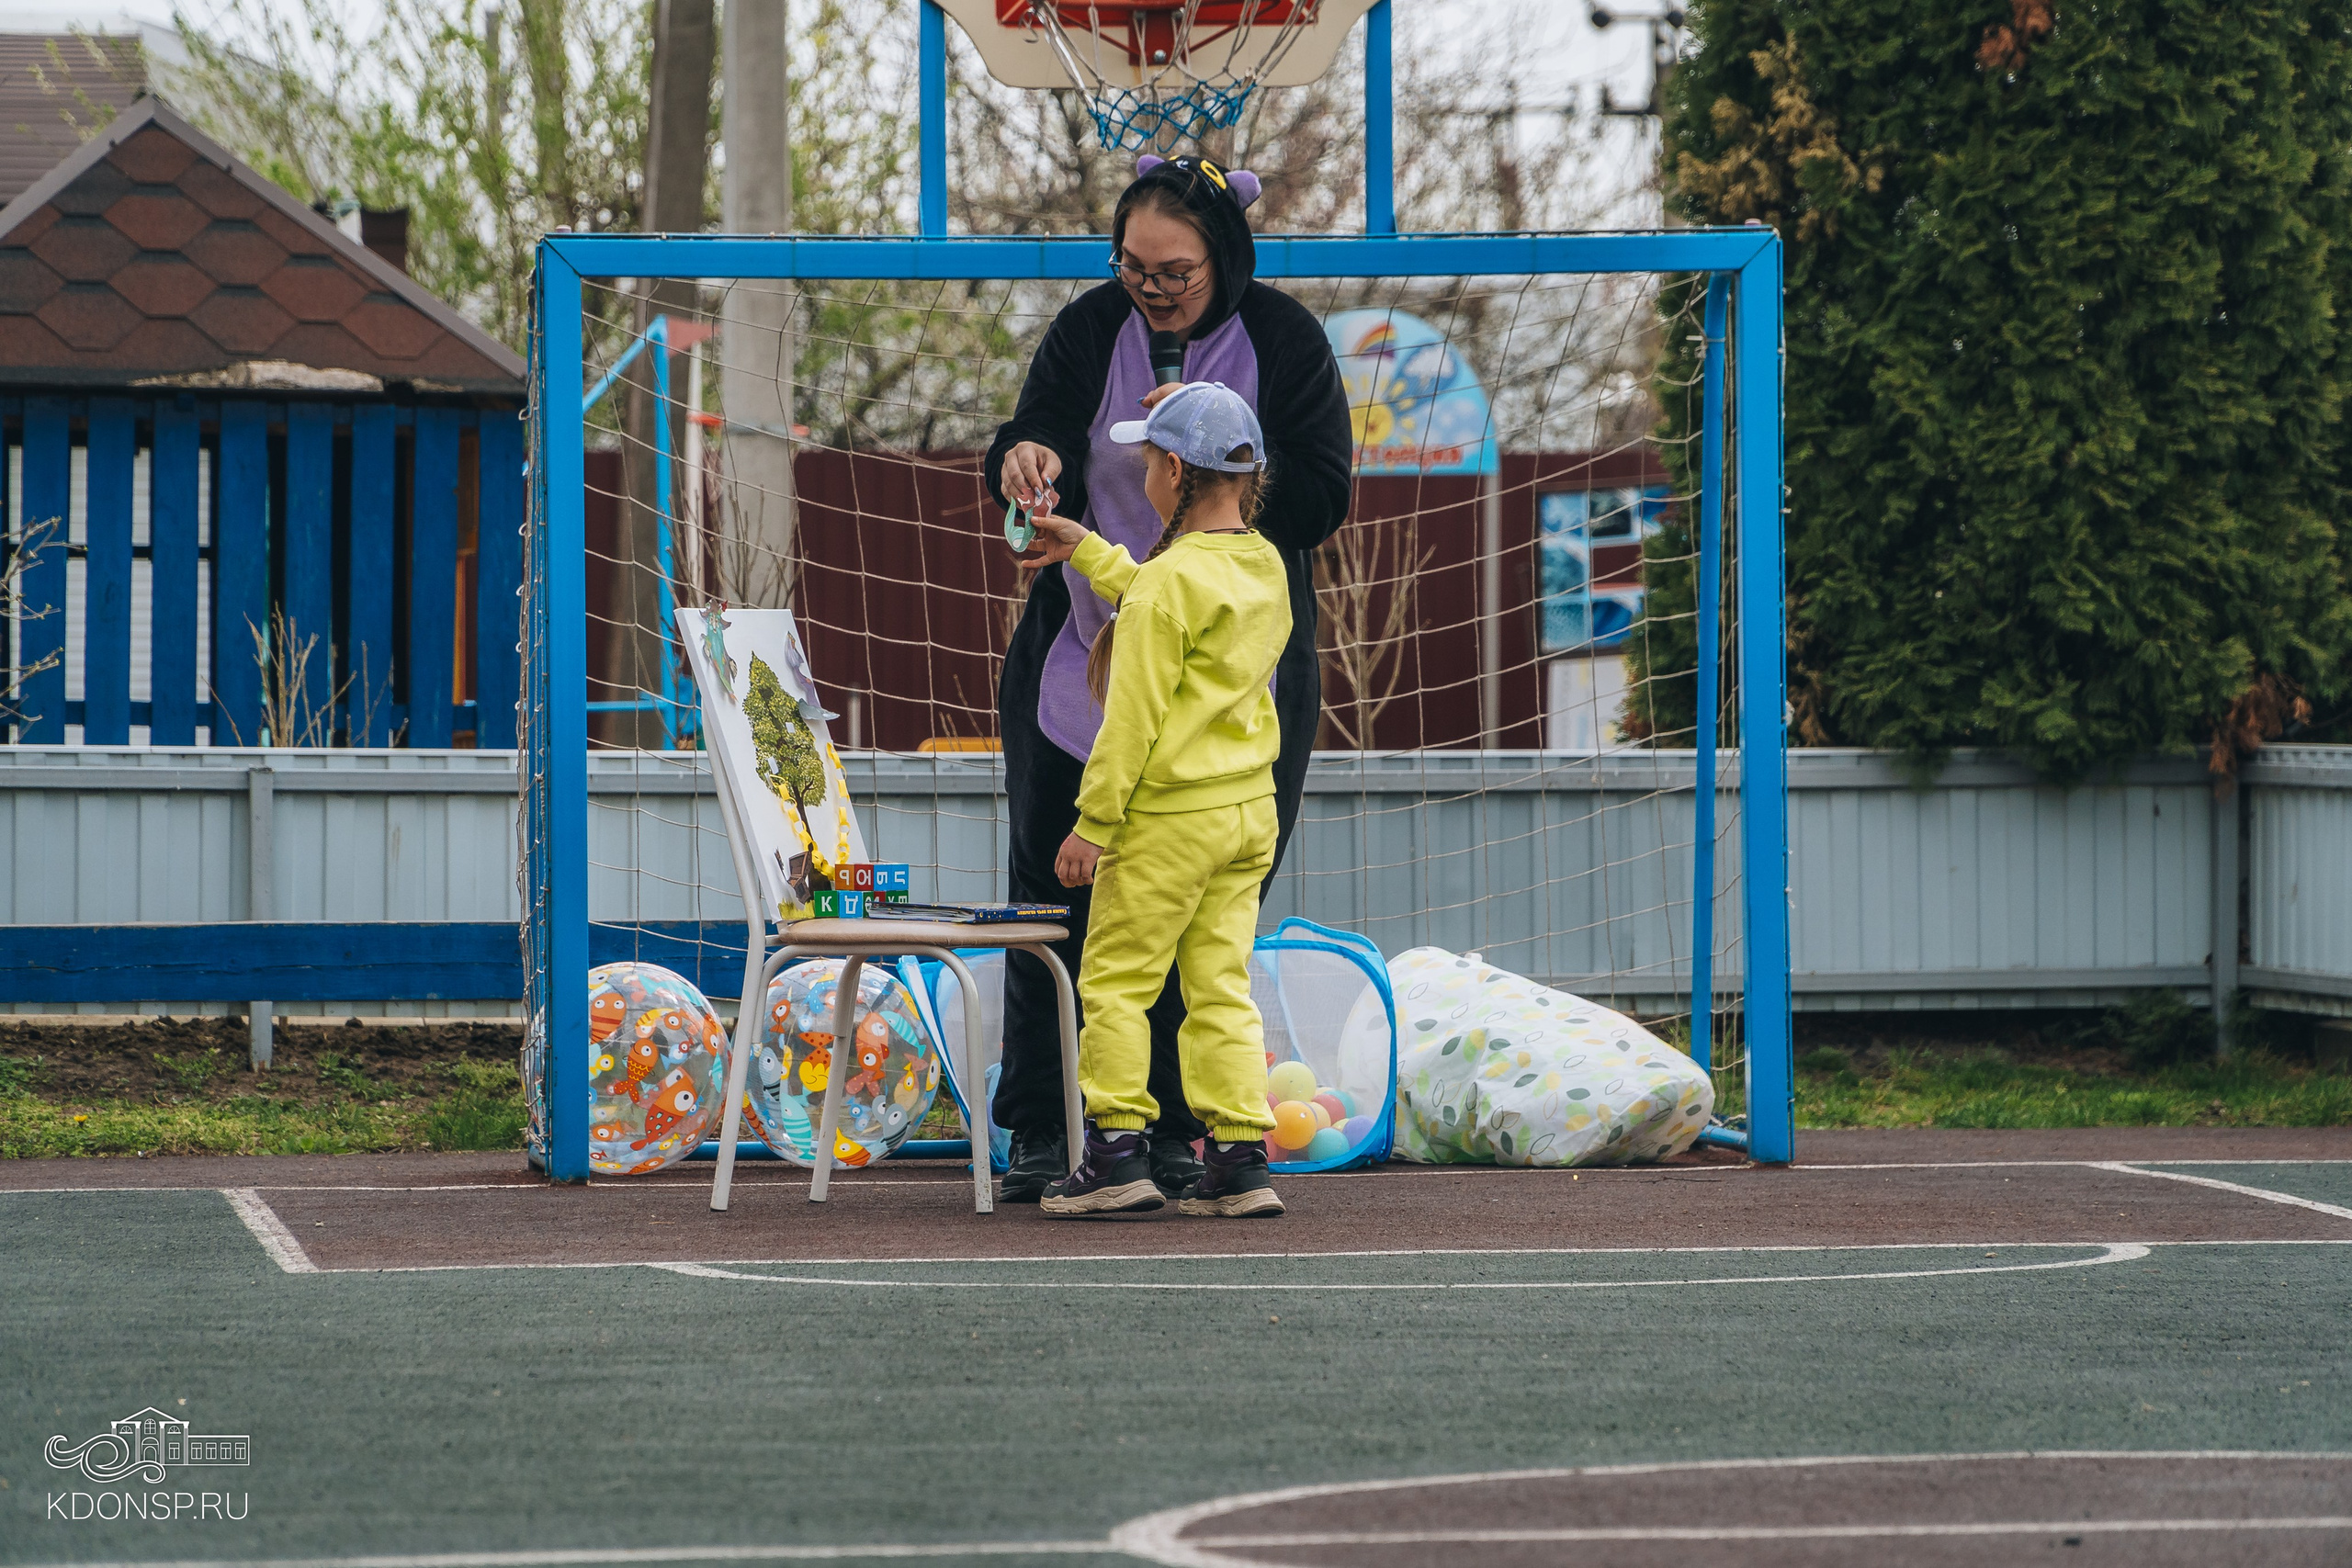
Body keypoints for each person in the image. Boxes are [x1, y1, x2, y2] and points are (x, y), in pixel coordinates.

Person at [985, 153, 1352, 1202]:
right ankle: (1084, 1134)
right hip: (1090, 676)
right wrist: (1024, 456)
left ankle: (1150, 1141)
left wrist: (1214, 466)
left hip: (1192, 715)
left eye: (1174, 272)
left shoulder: (1283, 343)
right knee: (1080, 927)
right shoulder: (1086, 332)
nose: (1149, 286)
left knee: (1137, 951)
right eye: (1132, 267)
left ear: (1224, 255)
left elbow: (1319, 493)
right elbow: (1050, 454)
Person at [1014, 382, 1289, 1218]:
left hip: (1168, 821)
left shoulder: (1170, 584)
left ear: (1173, 469)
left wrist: (1091, 826)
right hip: (1248, 815)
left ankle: (1116, 1154)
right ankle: (1241, 1158)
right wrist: (1091, 551)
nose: (1141, 477)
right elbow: (1178, 601)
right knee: (1220, 985)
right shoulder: (1264, 564)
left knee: (1118, 983)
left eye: (1145, 464)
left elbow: (1129, 725)